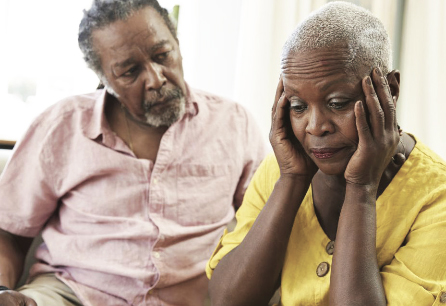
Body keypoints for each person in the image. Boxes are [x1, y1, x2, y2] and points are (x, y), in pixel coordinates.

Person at [0, 0, 266, 305]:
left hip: (195, 298)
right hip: (73, 293)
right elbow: (8, 231)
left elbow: (265, 225)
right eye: (129, 71)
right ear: (104, 78)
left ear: (177, 43)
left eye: (163, 55)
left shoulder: (233, 123)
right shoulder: (61, 125)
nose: (156, 79)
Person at [207, 2, 446, 306]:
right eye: (298, 106)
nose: (315, 127)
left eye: (337, 103)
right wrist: (292, 181)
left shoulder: (437, 198)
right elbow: (224, 301)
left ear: (391, 90)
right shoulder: (278, 171)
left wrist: (361, 189)